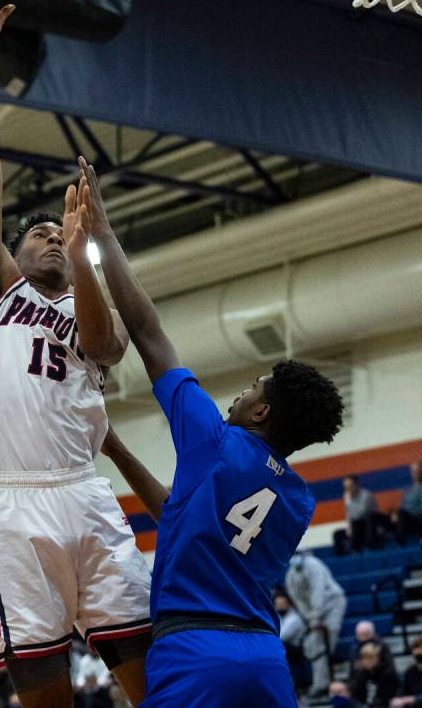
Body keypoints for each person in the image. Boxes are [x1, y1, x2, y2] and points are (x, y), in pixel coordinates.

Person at [80, 157, 344, 708]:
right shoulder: (298, 500)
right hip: (264, 658)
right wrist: (118, 449)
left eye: (252, 387)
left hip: (194, 649)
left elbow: (150, 335)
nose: (239, 394)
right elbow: (180, 511)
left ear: (261, 413)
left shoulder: (214, 441)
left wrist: (104, 237)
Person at [0, 0, 152, 708]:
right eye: (34, 231)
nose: (44, 233)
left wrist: (84, 258)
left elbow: (106, 350)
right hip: (12, 501)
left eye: (56, 232)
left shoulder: (83, 305)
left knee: (146, 668)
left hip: (86, 494)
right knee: (43, 686)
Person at [285, 550, 347, 696]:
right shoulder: (290, 575)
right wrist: (310, 618)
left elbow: (318, 592)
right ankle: (322, 684)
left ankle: (325, 683)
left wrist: (316, 617)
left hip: (333, 605)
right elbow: (297, 599)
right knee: (316, 646)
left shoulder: (314, 565)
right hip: (313, 614)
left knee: (326, 645)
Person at [334, 476, 388, 554]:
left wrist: (352, 525)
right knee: (337, 534)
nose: (348, 489)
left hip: (369, 526)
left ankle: (359, 548)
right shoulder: (346, 496)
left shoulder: (366, 495)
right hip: (356, 526)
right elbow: (348, 514)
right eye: (346, 487)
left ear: (357, 485)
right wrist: (349, 527)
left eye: (350, 486)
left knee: (357, 523)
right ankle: (342, 555)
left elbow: (363, 513)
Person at [274, 592, 310, 693]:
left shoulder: (295, 618)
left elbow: (281, 636)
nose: (279, 607)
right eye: (278, 604)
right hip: (285, 651)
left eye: (282, 604)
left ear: (288, 604)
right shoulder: (278, 617)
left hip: (296, 653)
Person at [349, 641, 399, 708]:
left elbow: (386, 698)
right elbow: (355, 695)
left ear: (378, 658)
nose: (367, 661)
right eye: (364, 658)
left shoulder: (388, 674)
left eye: (371, 657)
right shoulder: (361, 674)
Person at [391, 635, 422, 707]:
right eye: (416, 648)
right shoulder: (410, 671)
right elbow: (403, 691)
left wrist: (413, 699)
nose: (419, 651)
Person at [394, 463, 422, 544]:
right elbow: (402, 506)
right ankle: (399, 540)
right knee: (399, 514)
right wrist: (395, 514)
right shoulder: (407, 489)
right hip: (409, 520)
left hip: (419, 518)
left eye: (418, 471)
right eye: (413, 472)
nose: (416, 474)